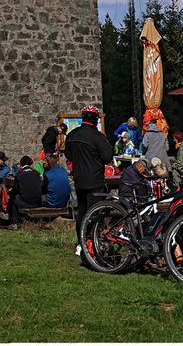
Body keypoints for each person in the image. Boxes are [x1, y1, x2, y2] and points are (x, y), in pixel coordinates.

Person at [65, 104, 114, 255]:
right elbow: (107, 157)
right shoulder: (98, 137)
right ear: (95, 120)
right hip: (95, 180)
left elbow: (68, 155)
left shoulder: (72, 134)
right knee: (94, 213)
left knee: (82, 212)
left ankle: (80, 243)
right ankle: (92, 242)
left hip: (79, 179)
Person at [8, 155, 42, 228]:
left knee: (14, 198)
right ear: (31, 164)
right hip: (37, 202)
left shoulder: (19, 175)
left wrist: (10, 191)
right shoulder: (37, 174)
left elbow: (16, 190)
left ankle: (15, 222)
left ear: (20, 164)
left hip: (25, 202)